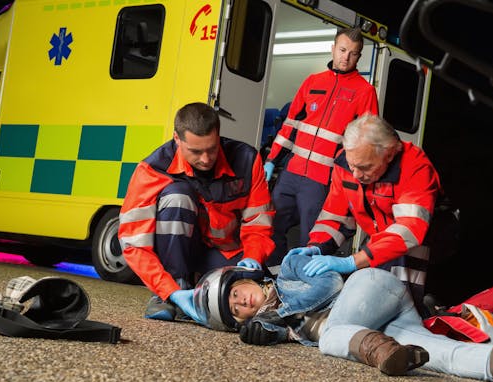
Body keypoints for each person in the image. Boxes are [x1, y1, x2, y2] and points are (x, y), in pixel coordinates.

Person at [168, 254, 493, 382]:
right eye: (235, 310)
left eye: (237, 292)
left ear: (247, 278)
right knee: (446, 357)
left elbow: (330, 283)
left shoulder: (288, 268)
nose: (241, 302)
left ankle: (382, 353)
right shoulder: (279, 324)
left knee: (329, 339)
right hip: (381, 327)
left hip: (371, 288)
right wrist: (273, 330)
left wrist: (280, 315)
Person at [118, 102, 275, 321]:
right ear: (176, 138)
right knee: (177, 196)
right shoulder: (152, 170)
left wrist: (253, 257)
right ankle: (172, 291)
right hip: (177, 255)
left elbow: (259, 221)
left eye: (212, 149)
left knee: (262, 300)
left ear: (218, 135)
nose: (205, 159)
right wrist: (169, 290)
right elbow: (134, 242)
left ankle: (196, 286)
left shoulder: (246, 160)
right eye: (195, 151)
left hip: (224, 253)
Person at [289, 114, 440, 316]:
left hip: (416, 242)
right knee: (362, 294)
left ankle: (425, 312)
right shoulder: (347, 161)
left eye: (365, 167)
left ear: (389, 154)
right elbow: (335, 217)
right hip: (379, 239)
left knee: (400, 303)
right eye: (352, 166)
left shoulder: (416, 167)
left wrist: (354, 261)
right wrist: (316, 247)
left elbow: (409, 229)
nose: (356, 174)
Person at [263, 27, 379, 267]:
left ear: (359, 57)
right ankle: (271, 276)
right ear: (333, 48)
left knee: (312, 240)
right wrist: (272, 160)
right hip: (291, 173)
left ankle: (301, 281)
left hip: (321, 180)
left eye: (353, 53)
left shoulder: (364, 91)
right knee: (271, 227)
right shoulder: (313, 82)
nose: (346, 57)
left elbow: (365, 141)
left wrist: (348, 180)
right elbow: (290, 125)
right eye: (343, 50)